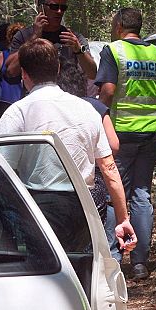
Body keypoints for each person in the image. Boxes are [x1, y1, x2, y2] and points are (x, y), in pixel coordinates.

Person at [0, 38, 136, 253]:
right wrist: (123, 219)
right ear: (58, 68)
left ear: (23, 74)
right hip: (84, 209)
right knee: (82, 272)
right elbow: (109, 168)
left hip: (39, 209)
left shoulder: (18, 112)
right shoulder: (87, 110)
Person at [95, 7, 156, 280]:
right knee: (142, 196)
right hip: (152, 134)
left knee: (114, 196)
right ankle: (140, 262)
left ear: (119, 25)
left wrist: (99, 119)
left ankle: (115, 259)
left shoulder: (114, 51)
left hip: (121, 135)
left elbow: (107, 91)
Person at [57, 60, 119, 224]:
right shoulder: (96, 106)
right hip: (92, 182)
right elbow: (113, 145)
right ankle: (111, 248)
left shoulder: (52, 107)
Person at [4, 0, 97, 81]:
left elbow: (93, 74)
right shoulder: (24, 36)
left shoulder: (73, 38)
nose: (59, 12)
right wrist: (34, 38)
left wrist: (78, 50)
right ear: (41, 7)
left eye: (63, 8)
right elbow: (11, 71)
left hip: (68, 95)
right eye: (54, 7)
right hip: (37, 95)